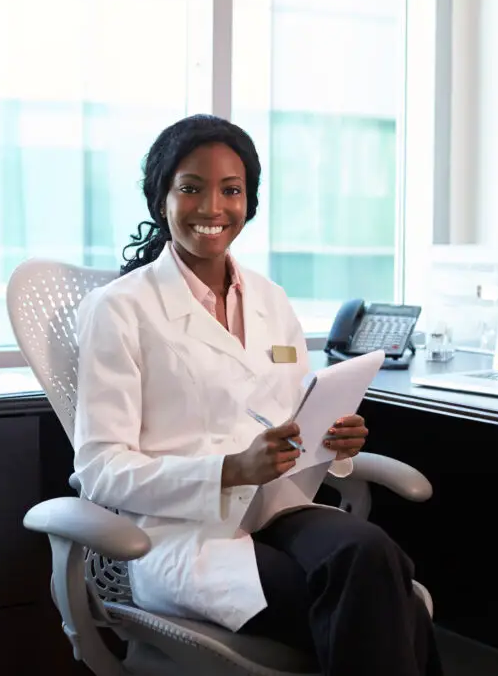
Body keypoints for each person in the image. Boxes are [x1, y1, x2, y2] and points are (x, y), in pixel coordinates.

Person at [72, 114, 443, 676]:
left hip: (277, 509)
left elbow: (294, 417)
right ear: (161, 198)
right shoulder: (120, 309)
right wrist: (228, 470)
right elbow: (101, 471)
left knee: (374, 556)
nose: (212, 207)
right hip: (183, 532)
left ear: (250, 201)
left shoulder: (272, 300)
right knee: (389, 602)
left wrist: (334, 441)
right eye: (191, 188)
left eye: (231, 190)